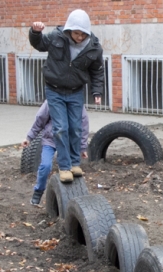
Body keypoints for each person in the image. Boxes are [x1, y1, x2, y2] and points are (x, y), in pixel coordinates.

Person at [29, 9, 104, 183]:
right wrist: (35, 32)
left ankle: (74, 163)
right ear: (69, 29)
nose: (79, 37)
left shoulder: (93, 47)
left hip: (76, 91)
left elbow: (97, 72)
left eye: (83, 34)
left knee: (75, 128)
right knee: (61, 128)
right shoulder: (56, 37)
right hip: (54, 90)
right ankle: (64, 167)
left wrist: (97, 92)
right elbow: (39, 44)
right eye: (76, 33)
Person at [23, 100, 89, 206]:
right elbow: (40, 119)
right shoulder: (51, 101)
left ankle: (71, 198)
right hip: (50, 140)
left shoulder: (77, 103)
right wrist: (30, 137)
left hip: (68, 142)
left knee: (69, 170)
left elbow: (83, 126)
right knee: (45, 166)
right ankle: (38, 192)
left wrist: (82, 148)